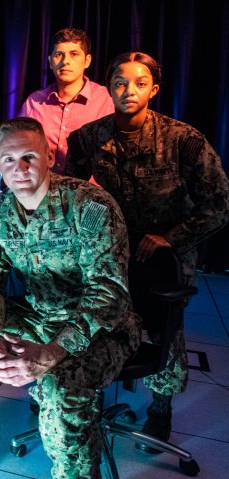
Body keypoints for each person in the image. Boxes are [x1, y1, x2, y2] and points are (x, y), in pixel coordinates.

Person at [0, 117, 140, 479]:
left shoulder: (90, 206)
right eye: (9, 159)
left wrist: (54, 350)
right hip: (38, 314)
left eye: (29, 157)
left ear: (49, 157)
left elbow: (108, 295)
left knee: (60, 385)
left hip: (101, 329)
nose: (20, 169)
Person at [65, 51, 229, 452]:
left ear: (153, 89)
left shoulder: (183, 140)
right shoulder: (88, 137)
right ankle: (87, 397)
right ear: (109, 87)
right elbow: (69, 195)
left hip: (166, 256)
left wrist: (171, 237)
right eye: (120, 83)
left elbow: (219, 205)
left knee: (164, 330)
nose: (129, 91)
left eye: (140, 83)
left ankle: (160, 409)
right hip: (111, 251)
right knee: (100, 321)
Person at [18, 27, 113, 174]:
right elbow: (18, 147)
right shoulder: (35, 102)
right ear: (50, 62)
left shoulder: (106, 100)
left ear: (87, 61)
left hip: (89, 188)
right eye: (59, 55)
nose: (65, 61)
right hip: (43, 186)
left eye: (74, 54)